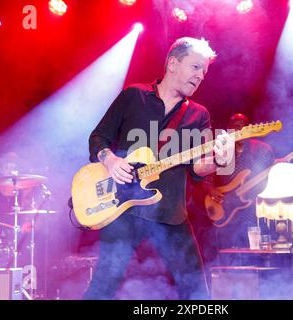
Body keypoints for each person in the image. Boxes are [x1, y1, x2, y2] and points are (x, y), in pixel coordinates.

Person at [84, 37, 235, 300]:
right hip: (124, 209)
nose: (200, 76)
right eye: (195, 67)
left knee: (197, 292)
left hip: (170, 213)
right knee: (103, 285)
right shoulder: (134, 96)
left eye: (204, 72)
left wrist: (221, 160)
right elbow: (98, 137)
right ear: (173, 64)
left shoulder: (199, 115)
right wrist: (111, 160)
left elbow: (199, 168)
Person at [196, 113, 276, 251]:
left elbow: (273, 169)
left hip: (251, 209)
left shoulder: (261, 149)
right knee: (228, 250)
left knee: (254, 249)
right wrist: (211, 190)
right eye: (235, 127)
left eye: (243, 127)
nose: (239, 130)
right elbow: (205, 176)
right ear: (228, 131)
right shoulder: (220, 149)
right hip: (226, 209)